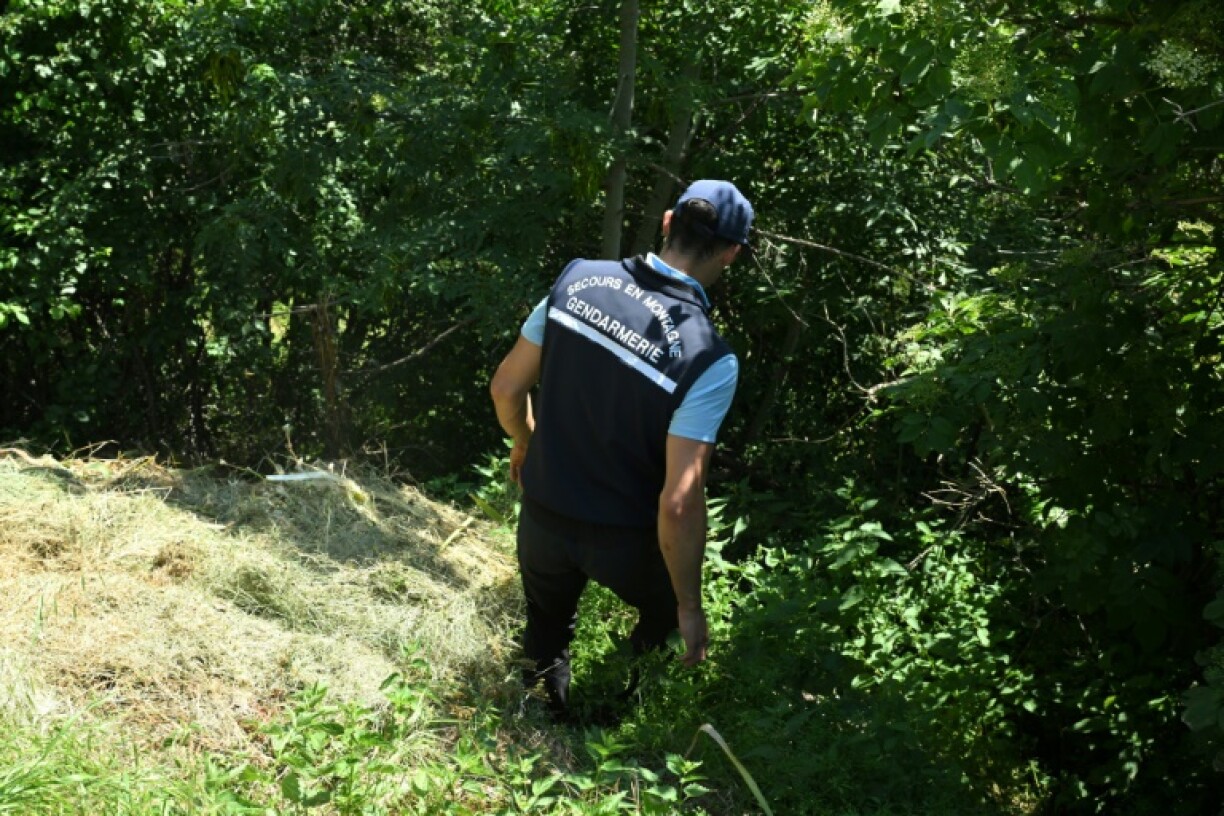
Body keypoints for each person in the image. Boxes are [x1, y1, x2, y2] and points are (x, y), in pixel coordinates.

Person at [489, 179, 753, 717]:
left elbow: (506, 389)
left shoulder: (577, 279)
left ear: (666, 222)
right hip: (625, 542)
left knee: (547, 623)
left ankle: (544, 718)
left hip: (543, 512)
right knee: (662, 618)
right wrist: (690, 606)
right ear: (732, 252)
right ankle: (614, 718)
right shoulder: (708, 358)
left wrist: (525, 442)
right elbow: (679, 502)